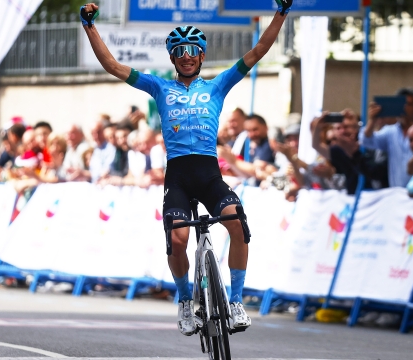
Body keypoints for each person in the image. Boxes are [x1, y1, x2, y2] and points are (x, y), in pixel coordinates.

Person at [81, 0, 293, 335]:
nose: (186, 54)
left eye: (193, 49)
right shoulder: (158, 86)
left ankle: (235, 302)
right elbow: (112, 65)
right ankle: (184, 304)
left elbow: (259, 50)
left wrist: (280, 14)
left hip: (209, 174)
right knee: (178, 240)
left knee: (237, 225)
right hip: (178, 176)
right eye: (179, 50)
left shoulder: (217, 85)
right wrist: (89, 26)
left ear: (202, 55)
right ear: (172, 57)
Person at [361, 88, 413, 188]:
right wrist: (372, 121)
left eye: (408, 104)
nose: (404, 107)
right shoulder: (390, 131)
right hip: (397, 194)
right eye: (400, 104)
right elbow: (366, 141)